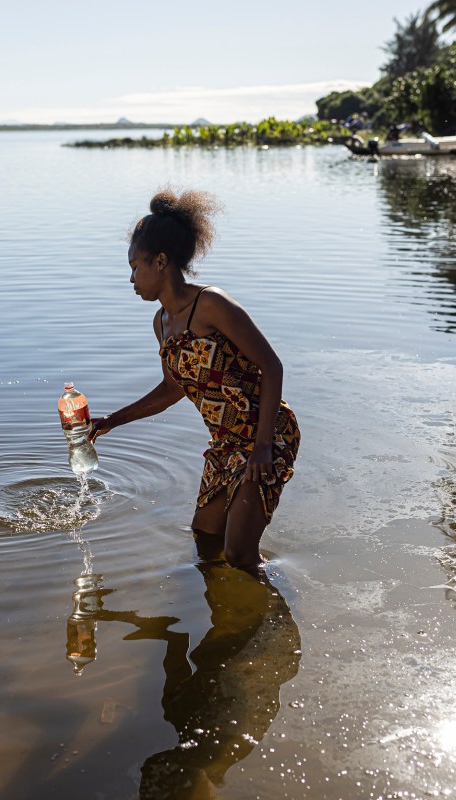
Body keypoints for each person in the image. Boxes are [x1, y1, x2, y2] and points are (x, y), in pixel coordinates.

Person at [90, 189, 301, 571]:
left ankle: (272, 616)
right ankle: (225, 609)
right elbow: (173, 389)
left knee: (238, 554)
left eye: (135, 266)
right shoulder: (161, 324)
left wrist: (263, 447)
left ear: (160, 261)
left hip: (266, 437)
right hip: (225, 445)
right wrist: (111, 422)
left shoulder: (212, 305)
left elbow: (272, 367)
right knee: (206, 541)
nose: (131, 278)